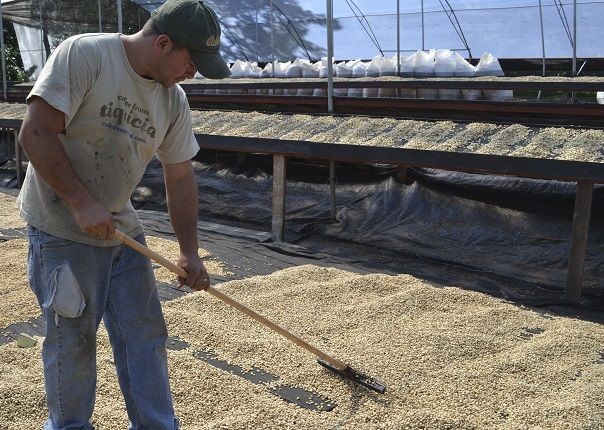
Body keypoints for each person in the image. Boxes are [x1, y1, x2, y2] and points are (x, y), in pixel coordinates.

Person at [17, 1, 231, 428]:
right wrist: (80, 201)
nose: (194, 72)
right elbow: (35, 132)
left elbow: (181, 176)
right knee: (72, 342)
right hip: (61, 229)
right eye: (192, 61)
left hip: (120, 229)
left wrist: (189, 252)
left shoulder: (173, 102)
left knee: (144, 335)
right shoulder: (87, 55)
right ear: (164, 43)